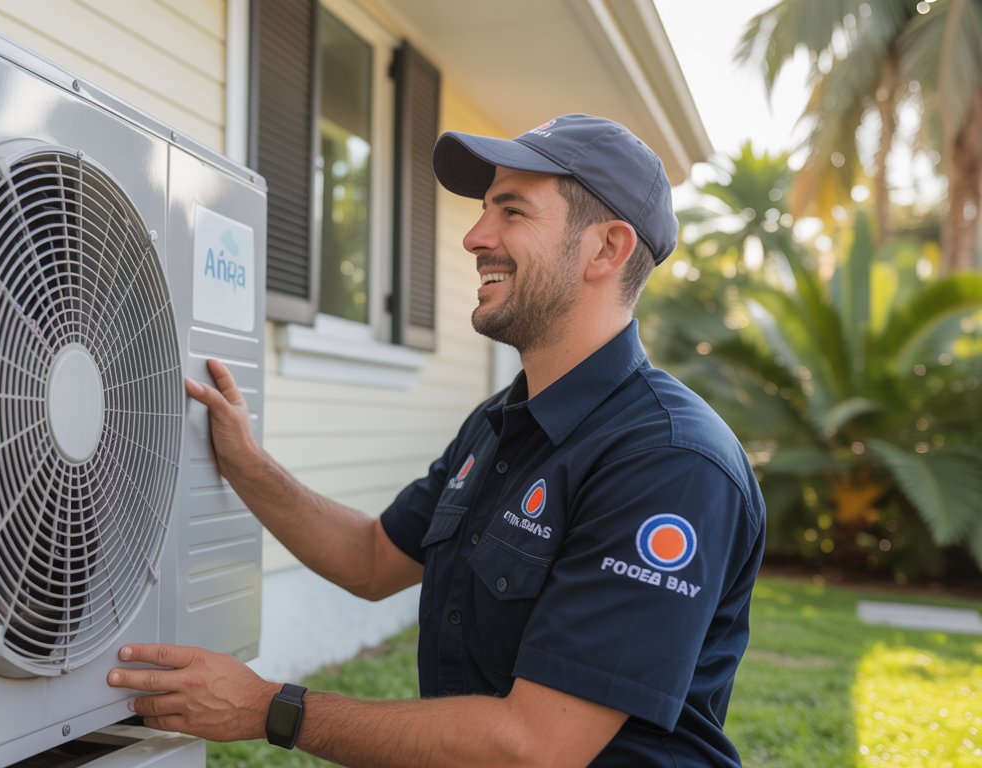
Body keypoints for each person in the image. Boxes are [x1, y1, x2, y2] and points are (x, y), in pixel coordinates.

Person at [107, 114, 765, 768]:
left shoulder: (669, 460)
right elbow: (370, 559)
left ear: (606, 249)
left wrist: (271, 708)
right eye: (483, 211)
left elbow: (533, 746)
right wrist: (247, 465)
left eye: (512, 211)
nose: (476, 237)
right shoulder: (500, 423)